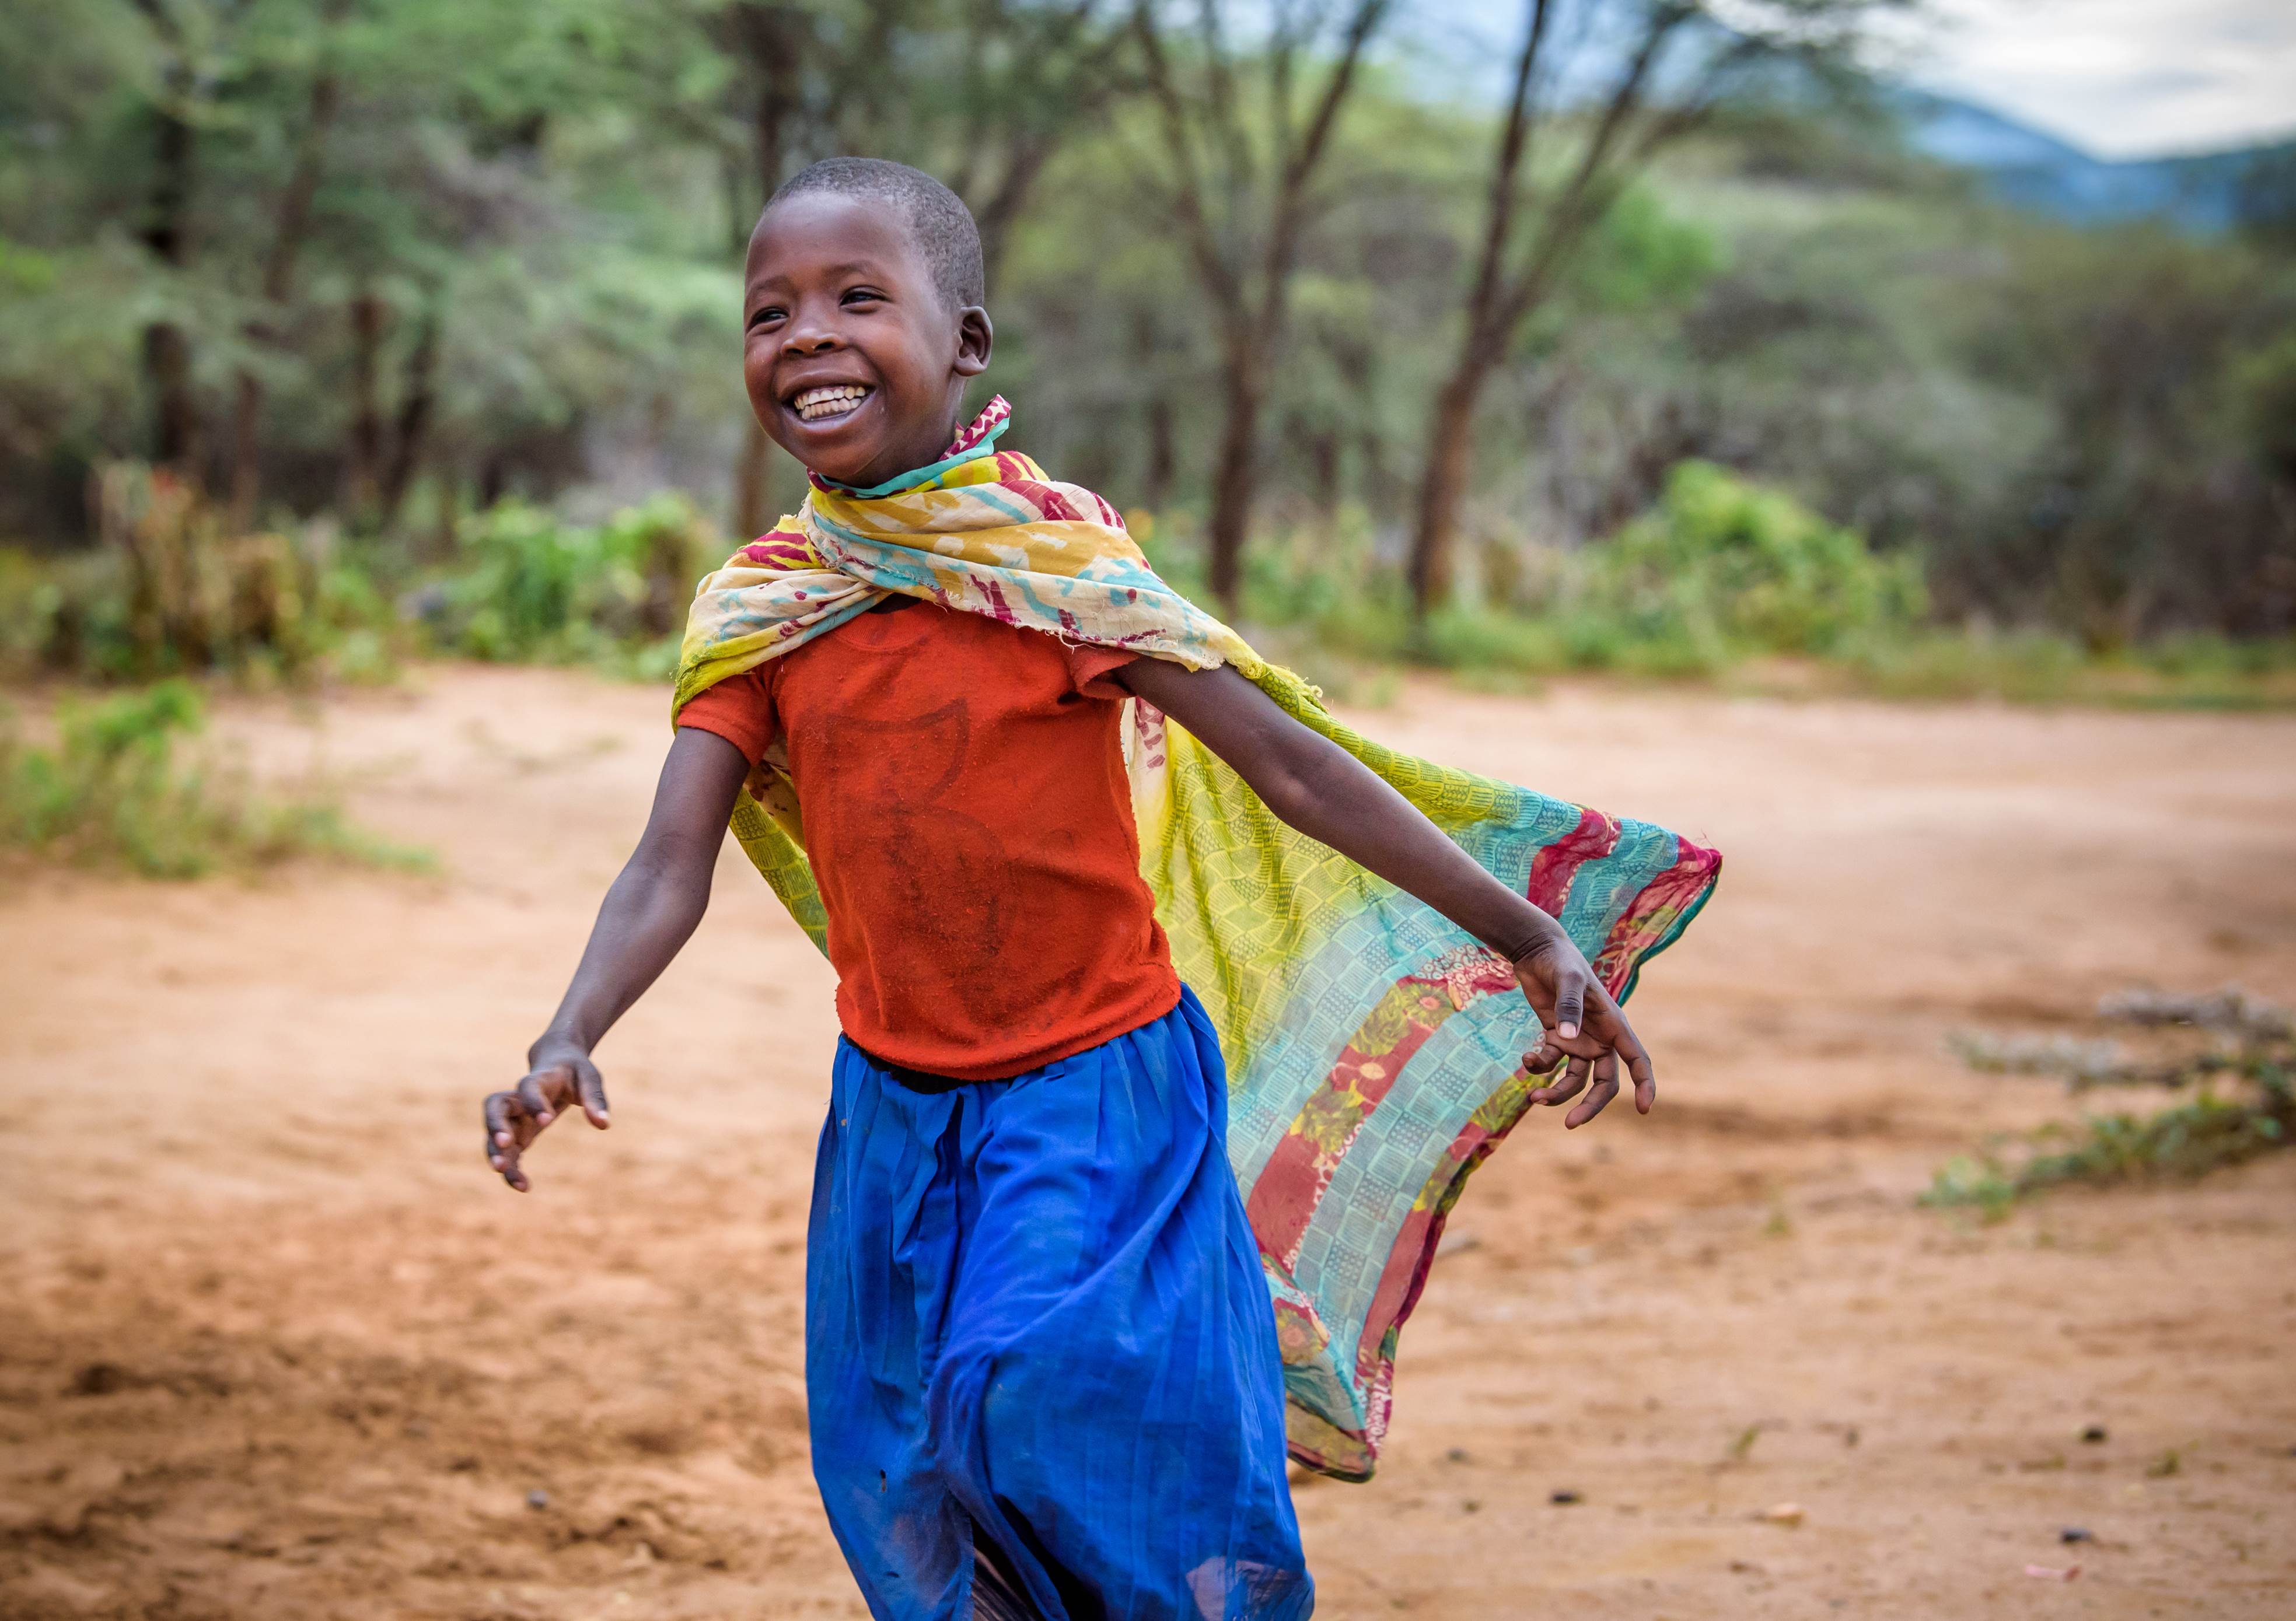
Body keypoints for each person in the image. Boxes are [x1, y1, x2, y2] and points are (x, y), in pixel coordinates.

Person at [480, 156, 1718, 1621]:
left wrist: (1524, 932)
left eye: (856, 298)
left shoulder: (1056, 577)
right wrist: (570, 1032)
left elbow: (1297, 769)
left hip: (1095, 1085)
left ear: (965, 342)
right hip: (892, 1108)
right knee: (906, 1461)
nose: (804, 333)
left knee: (1036, 1380)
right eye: (769, 312)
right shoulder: (763, 609)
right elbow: (664, 861)